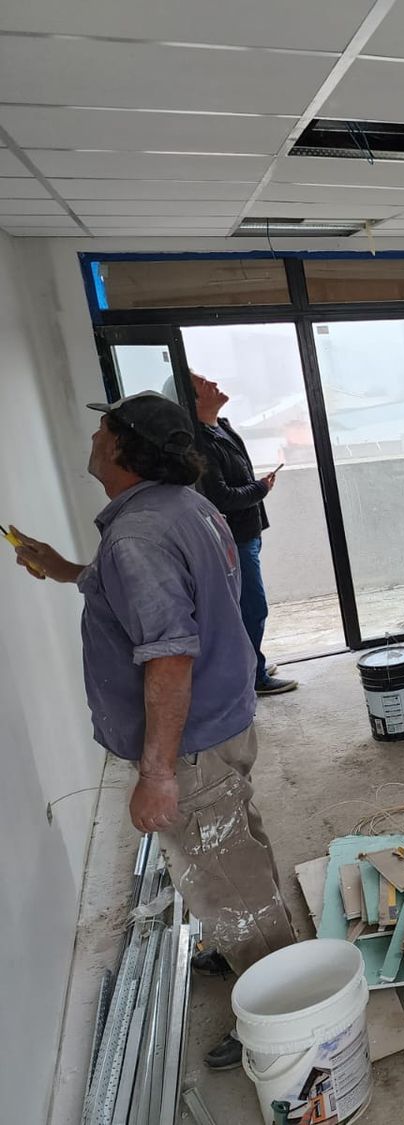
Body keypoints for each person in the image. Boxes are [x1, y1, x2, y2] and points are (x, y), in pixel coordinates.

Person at [12, 391, 296, 1068]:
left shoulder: (138, 534)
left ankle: (284, 1011)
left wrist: (157, 773)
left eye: (103, 426)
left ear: (119, 448)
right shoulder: (180, 507)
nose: (93, 434)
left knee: (227, 881)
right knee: (237, 849)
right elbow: (156, 596)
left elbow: (169, 651)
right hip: (222, 722)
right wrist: (67, 569)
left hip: (192, 744)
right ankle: (252, 955)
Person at [189, 371, 297, 695]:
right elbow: (220, 497)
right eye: (203, 384)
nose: (214, 385)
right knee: (252, 607)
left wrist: (256, 488)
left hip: (247, 532)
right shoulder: (200, 442)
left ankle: (254, 663)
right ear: (191, 398)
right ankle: (253, 678)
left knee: (248, 606)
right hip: (232, 538)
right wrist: (260, 488)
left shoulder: (221, 426)